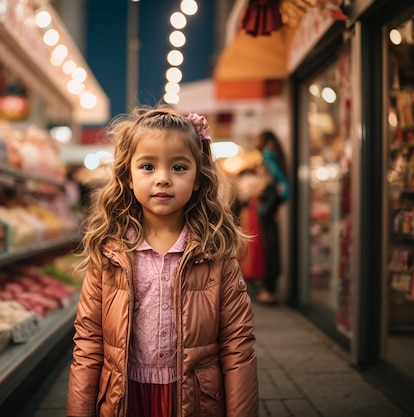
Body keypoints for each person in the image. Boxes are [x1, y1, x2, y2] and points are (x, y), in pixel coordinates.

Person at [65, 106, 259, 417]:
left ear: (199, 178)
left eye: (179, 168)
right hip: (124, 398)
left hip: (195, 400)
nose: (163, 179)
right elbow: (88, 344)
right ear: (127, 176)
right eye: (147, 166)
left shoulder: (216, 255)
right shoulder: (110, 254)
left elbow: (238, 346)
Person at [254, 130, 289, 305]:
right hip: (272, 206)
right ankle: (269, 288)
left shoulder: (268, 155)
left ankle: (269, 290)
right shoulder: (277, 154)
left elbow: (277, 178)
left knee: (268, 248)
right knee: (271, 247)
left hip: (267, 206)